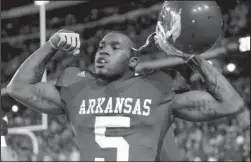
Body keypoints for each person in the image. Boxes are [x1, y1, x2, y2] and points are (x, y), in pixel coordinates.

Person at [7, 29, 244, 161]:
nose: (103, 51)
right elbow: (18, 88)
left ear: (133, 60)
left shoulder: (158, 87)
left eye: (114, 47)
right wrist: (52, 44)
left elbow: (231, 103)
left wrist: (188, 55)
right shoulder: (77, 87)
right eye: (101, 46)